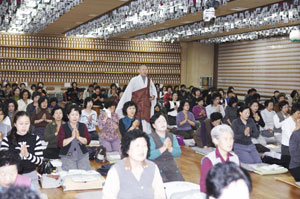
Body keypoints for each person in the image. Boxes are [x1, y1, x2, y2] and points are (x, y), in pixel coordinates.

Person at [102, 129, 165, 199]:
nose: (141, 150)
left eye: (144, 146)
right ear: (127, 149)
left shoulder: (153, 167)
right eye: (137, 146)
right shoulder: (116, 170)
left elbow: (160, 195)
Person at [0, 111, 43, 194]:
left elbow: (40, 161)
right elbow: (3, 162)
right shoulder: (7, 140)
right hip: (12, 177)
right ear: (15, 124)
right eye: (21, 123)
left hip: (31, 175)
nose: (24, 126)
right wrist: (19, 155)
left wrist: (27, 155)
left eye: (26, 123)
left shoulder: (35, 139)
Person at [116, 65, 157, 134]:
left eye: (146, 69)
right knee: (137, 121)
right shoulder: (134, 80)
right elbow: (128, 92)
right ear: (139, 71)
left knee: (146, 123)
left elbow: (153, 91)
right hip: (137, 104)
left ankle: (146, 137)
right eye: (143, 69)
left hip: (146, 105)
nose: (145, 71)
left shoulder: (149, 80)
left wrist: (153, 96)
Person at [200, 125, 240, 193]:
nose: (229, 142)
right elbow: (204, 187)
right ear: (216, 140)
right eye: (225, 139)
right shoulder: (209, 160)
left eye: (231, 139)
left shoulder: (235, 158)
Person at [148, 113, 184, 182]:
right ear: (153, 125)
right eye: (159, 121)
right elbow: (150, 155)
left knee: (180, 184)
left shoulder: (172, 136)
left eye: (164, 121)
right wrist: (164, 147)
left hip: (171, 166)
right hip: (156, 166)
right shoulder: (150, 137)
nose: (162, 123)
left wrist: (170, 148)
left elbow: (178, 153)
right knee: (163, 187)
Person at [57, 105, 92, 171]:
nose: (75, 117)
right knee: (72, 173)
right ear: (68, 116)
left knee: (84, 173)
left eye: (77, 114)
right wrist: (72, 137)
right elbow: (60, 143)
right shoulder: (63, 127)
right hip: (68, 155)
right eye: (72, 114)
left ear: (79, 116)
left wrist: (78, 137)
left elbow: (87, 141)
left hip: (82, 155)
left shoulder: (83, 126)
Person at [281, 103, 300, 168]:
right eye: (298, 113)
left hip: (297, 147)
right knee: (289, 168)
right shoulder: (287, 122)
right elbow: (291, 137)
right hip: (287, 148)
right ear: (293, 112)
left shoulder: (298, 120)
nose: (299, 115)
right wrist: (297, 128)